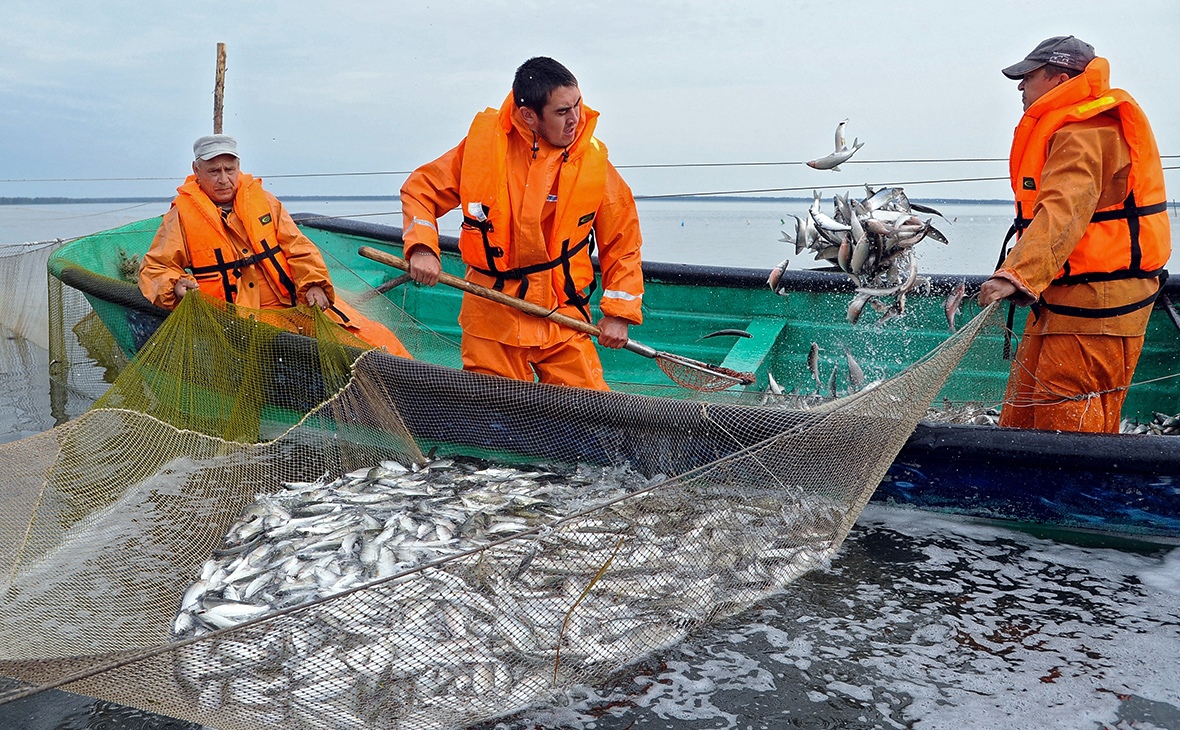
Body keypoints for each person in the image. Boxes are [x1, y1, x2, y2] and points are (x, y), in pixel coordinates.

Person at [400, 56, 644, 391]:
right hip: (492, 316)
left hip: (563, 315)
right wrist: (422, 248)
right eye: (562, 112)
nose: (575, 119)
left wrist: (619, 313)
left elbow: (623, 242)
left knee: (592, 410)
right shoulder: (482, 149)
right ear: (529, 115)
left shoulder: (594, 163)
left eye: (577, 105)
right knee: (496, 415)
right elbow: (421, 190)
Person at [978, 36, 1170, 433]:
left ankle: (1072, 496)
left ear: (1059, 78)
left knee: (1064, 425)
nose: (1020, 86)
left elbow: (1064, 213)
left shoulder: (1086, 131)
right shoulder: (1075, 125)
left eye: (1028, 77)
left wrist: (1017, 275)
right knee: (1023, 416)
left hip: (1096, 310)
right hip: (1064, 302)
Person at [139, 134, 411, 357]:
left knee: (376, 337)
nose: (224, 179)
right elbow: (154, 269)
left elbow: (299, 248)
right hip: (238, 323)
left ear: (238, 167)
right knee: (335, 354)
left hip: (298, 306)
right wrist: (174, 285)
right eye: (214, 171)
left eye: (229, 170)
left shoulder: (265, 202)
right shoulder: (181, 217)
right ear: (196, 171)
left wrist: (314, 284)